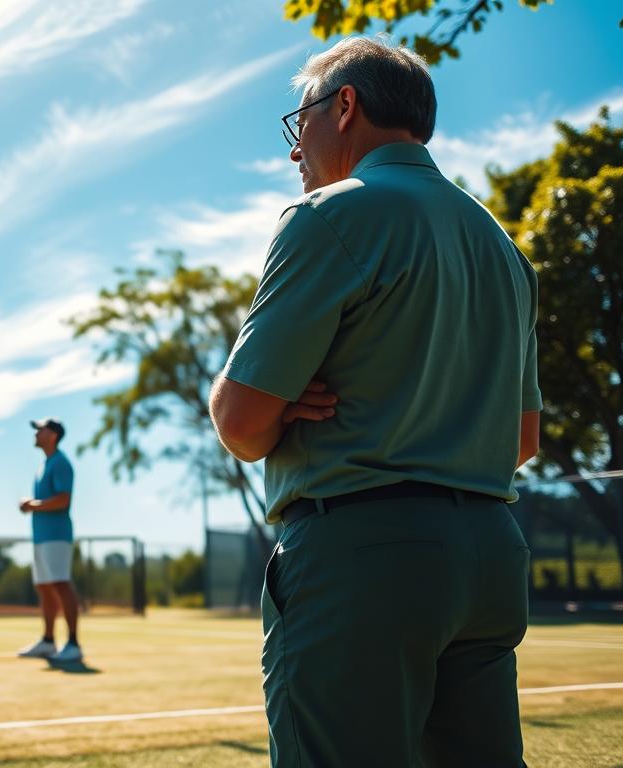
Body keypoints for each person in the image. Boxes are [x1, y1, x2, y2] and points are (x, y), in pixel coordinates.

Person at [208, 37, 541, 768]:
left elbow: (240, 424)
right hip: (490, 555)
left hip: (360, 555)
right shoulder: (504, 248)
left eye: (300, 122)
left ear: (346, 106)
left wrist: (276, 403)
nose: (295, 149)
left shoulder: (329, 216)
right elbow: (520, 441)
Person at [16, 417, 83, 663]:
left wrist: (32, 505)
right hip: (41, 537)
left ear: (53, 435)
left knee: (60, 584)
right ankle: (47, 641)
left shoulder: (61, 463)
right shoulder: (44, 465)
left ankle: (73, 643)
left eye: (40, 429)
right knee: (45, 587)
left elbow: (64, 500)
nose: (36, 433)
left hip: (57, 536)